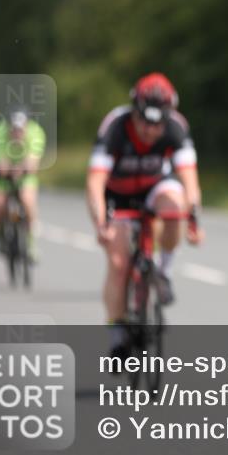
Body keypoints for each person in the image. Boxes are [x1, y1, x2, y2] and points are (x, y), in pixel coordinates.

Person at [85, 73, 204, 357]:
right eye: (144, 122)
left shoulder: (176, 128)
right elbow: (95, 182)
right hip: (118, 195)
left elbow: (189, 180)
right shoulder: (114, 127)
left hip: (155, 188)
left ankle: (163, 271)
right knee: (118, 261)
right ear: (134, 112)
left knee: (176, 207)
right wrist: (101, 223)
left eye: (157, 124)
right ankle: (117, 332)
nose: (150, 131)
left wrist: (194, 218)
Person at [0, 108, 47, 262]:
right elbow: (0, 165)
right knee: (0, 204)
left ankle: (31, 244)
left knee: (28, 201)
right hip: (2, 173)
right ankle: (0, 234)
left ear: (26, 126)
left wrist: (22, 169)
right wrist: (7, 169)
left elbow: (33, 163)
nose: (17, 133)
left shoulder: (36, 133)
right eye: (14, 129)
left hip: (24, 172)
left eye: (20, 129)